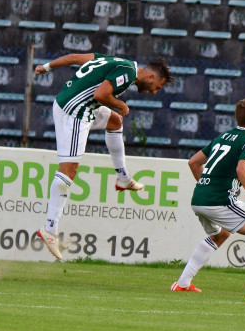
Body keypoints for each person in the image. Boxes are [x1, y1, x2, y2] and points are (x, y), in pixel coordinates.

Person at [34, 52, 172, 260]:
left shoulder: (118, 62)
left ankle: (123, 179)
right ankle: (50, 229)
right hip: (75, 112)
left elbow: (74, 58)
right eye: (157, 88)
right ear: (151, 77)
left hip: (79, 106)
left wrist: (47, 66)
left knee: (115, 122)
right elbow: (100, 95)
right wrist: (120, 104)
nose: (154, 92)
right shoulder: (126, 73)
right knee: (68, 171)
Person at [171, 97, 245, 298]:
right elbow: (242, 169)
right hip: (220, 199)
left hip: (199, 198)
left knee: (221, 234)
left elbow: (193, 163)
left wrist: (206, 187)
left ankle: (182, 283)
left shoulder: (223, 136)